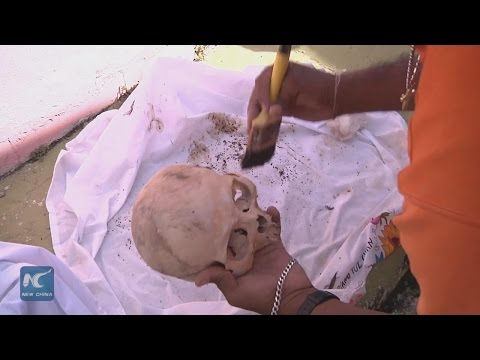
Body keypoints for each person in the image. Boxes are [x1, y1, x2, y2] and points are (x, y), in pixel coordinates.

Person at [195, 45, 480, 315]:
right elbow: (456, 67)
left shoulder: (454, 211)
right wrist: (338, 94)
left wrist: (297, 300)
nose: (251, 219)